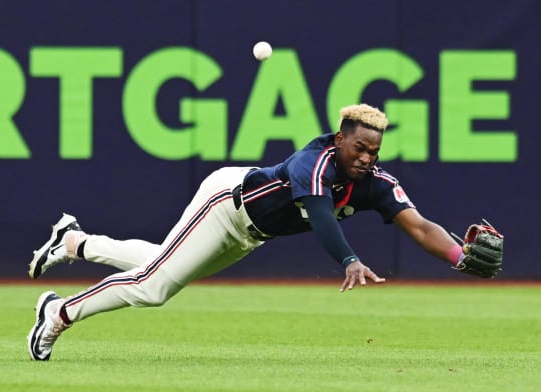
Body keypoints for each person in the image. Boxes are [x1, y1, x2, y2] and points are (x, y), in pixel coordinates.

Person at [26, 103, 495, 361]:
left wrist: (458, 256)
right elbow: (322, 216)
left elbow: (420, 225)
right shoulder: (314, 163)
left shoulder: (374, 183)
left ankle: (75, 241)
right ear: (340, 140)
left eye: (374, 150)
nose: (367, 157)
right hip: (225, 203)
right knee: (154, 287)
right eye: (359, 146)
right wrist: (349, 261)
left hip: (251, 233)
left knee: (163, 265)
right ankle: (59, 313)